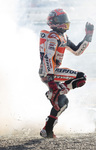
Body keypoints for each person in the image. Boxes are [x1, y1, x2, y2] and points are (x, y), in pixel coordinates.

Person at [39, 8, 94, 138]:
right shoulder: (53, 37)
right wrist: (51, 81)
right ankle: (57, 90)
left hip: (52, 72)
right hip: (49, 72)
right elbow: (48, 57)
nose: (65, 21)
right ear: (54, 22)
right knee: (81, 77)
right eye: (62, 19)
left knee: (63, 102)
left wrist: (88, 36)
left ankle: (47, 130)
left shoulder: (62, 36)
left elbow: (77, 51)